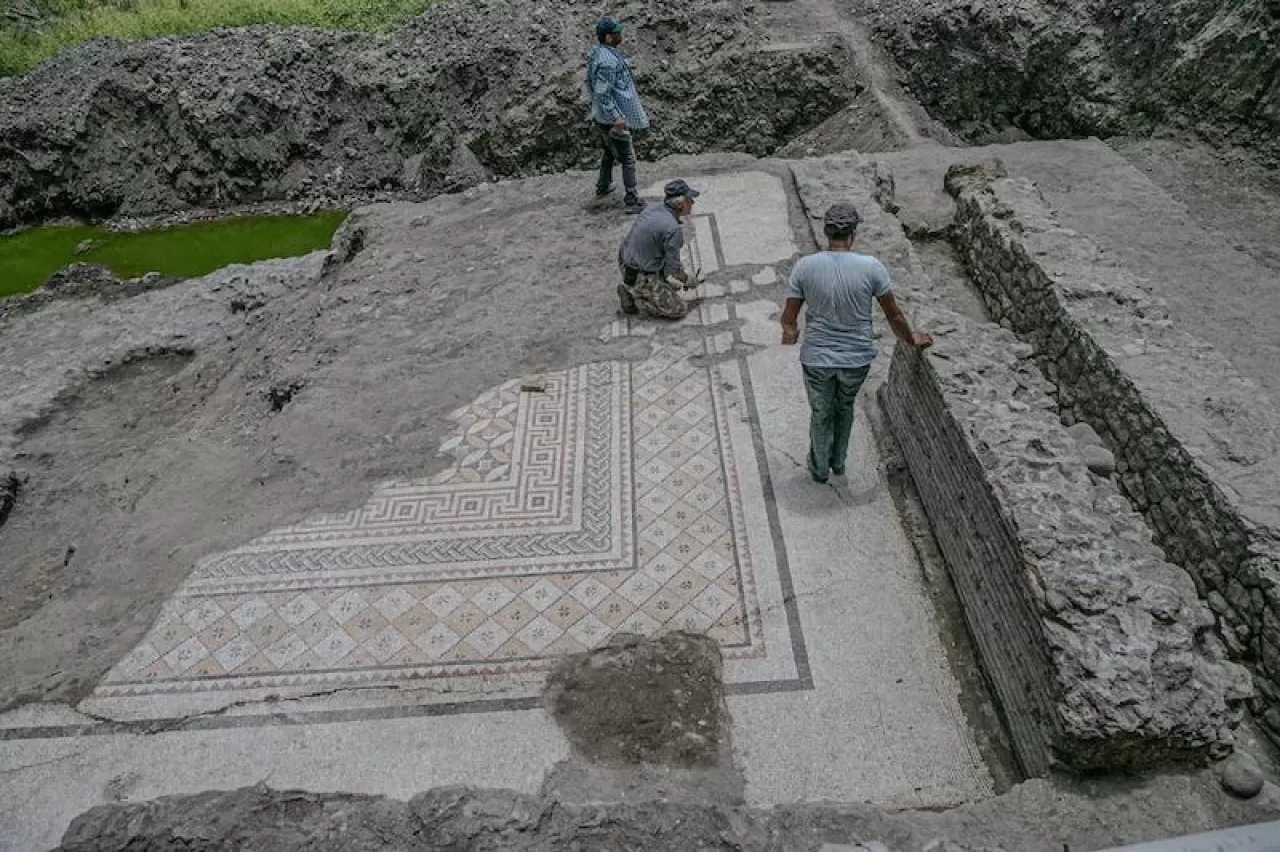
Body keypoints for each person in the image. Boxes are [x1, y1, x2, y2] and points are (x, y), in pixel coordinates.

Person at [780, 202, 933, 484]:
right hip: (856, 359)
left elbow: (789, 316)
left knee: (821, 411)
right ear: (853, 235)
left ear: (827, 233)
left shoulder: (805, 267)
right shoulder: (872, 268)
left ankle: (819, 468)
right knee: (845, 406)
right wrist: (911, 338)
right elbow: (893, 314)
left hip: (817, 359)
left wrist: (790, 334)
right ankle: (839, 462)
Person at [587, 17, 649, 214]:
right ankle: (631, 199)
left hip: (603, 117)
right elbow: (602, 92)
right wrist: (617, 117)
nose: (620, 35)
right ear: (608, 37)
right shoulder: (607, 62)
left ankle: (603, 186)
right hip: (612, 120)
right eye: (617, 33)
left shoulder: (600, 53)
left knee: (608, 152)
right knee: (628, 159)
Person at [617, 179, 701, 319]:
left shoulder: (653, 207)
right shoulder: (672, 229)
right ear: (680, 204)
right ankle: (634, 294)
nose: (692, 203)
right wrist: (688, 280)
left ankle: (646, 285)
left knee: (670, 247)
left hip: (624, 260)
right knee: (679, 309)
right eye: (689, 200)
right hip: (639, 274)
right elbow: (675, 270)